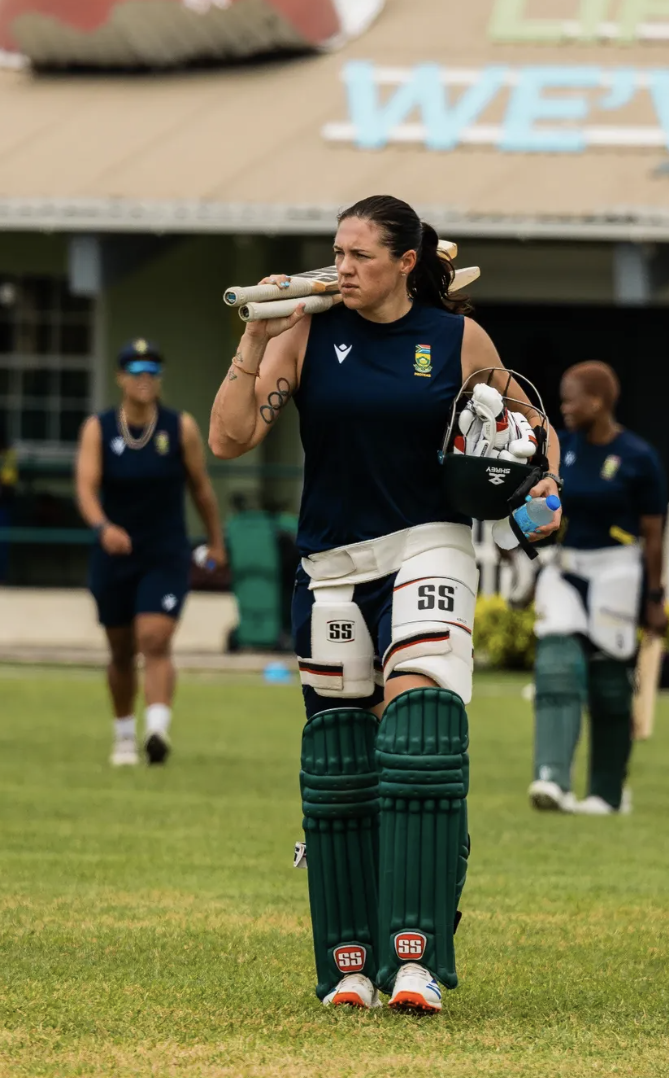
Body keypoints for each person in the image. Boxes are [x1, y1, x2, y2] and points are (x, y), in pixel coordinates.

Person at [208, 195, 562, 1014]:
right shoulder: (305, 333)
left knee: (418, 731)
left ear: (406, 262)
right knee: (349, 763)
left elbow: (526, 425)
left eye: (360, 255)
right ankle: (354, 962)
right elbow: (229, 438)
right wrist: (256, 337)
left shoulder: (456, 339)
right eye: (337, 252)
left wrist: (546, 483)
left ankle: (418, 957)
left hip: (427, 542)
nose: (342, 268)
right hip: (331, 564)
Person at [75, 339, 226, 768]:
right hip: (115, 554)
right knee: (121, 650)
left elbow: (201, 489)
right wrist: (103, 528)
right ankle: (124, 736)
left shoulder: (180, 427)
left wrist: (216, 541)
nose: (146, 379)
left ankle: (157, 731)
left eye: (153, 372)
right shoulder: (99, 428)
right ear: (121, 377)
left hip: (165, 551)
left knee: (154, 638)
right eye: (137, 371)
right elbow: (85, 488)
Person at [528, 361, 666, 816]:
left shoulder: (638, 457)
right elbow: (544, 508)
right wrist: (516, 533)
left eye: (571, 400)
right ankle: (551, 778)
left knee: (610, 684)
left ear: (598, 401)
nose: (564, 408)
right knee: (556, 664)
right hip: (566, 566)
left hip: (618, 569)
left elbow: (653, 534)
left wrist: (655, 598)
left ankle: (607, 794)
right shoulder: (561, 450)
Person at [0, 424, 17, 583]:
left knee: (2, 542)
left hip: (3, 504)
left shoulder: (8, 454)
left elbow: (7, 484)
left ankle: (2, 577)